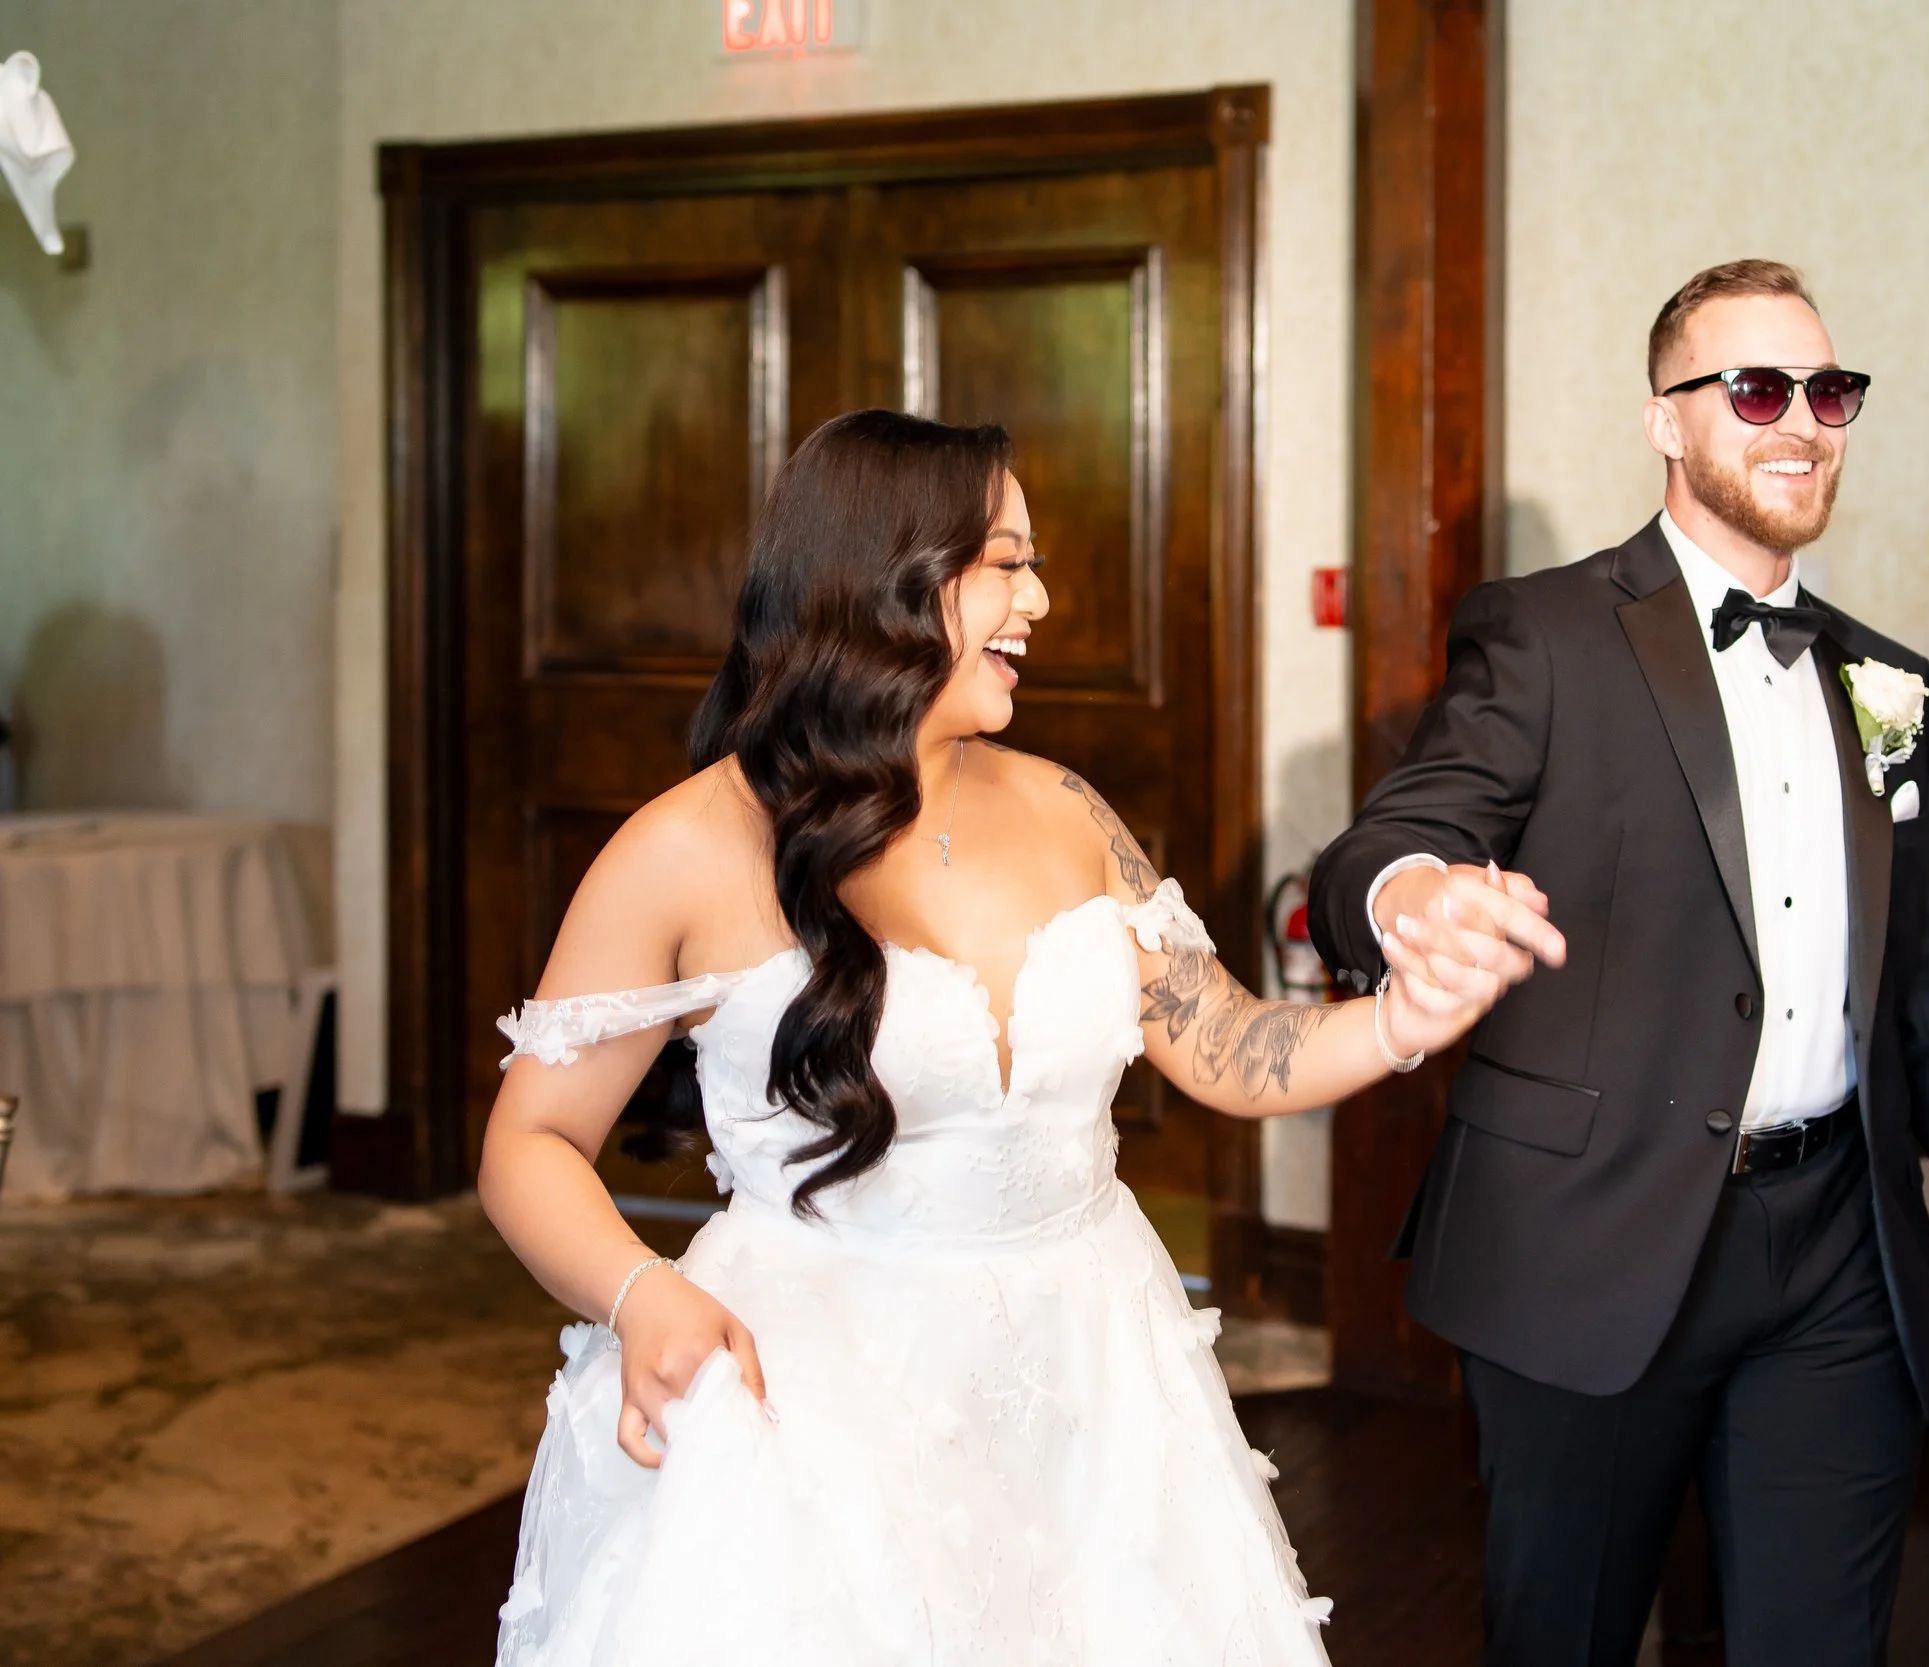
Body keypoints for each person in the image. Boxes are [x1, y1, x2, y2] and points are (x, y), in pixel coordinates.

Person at [478, 410, 1531, 1665]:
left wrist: (1403, 1017)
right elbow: (531, 1139)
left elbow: (1230, 1043)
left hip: (1093, 1384)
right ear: (888, 578)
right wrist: (642, 1292)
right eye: (1007, 562)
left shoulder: (1066, 807)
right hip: (812, 1402)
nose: (1041, 596)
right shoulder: (684, 846)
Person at [1308, 259, 1929, 1667]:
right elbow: (1393, 838)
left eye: (1829, 391)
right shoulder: (1543, 630)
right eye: (1758, 388)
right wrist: (1418, 895)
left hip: (1837, 1243)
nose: (1803, 420)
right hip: (1590, 1236)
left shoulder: (1890, 685)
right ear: (1668, 420)